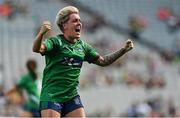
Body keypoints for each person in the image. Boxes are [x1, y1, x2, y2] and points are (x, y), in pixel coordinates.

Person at [32, 6, 134, 117]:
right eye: (75, 21)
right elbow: (37, 49)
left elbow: (103, 61)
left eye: (80, 21)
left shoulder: (83, 47)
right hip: (52, 96)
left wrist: (123, 50)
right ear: (64, 25)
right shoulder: (55, 42)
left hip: (71, 96)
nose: (79, 23)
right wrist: (41, 34)